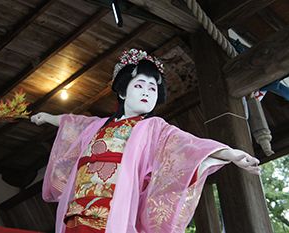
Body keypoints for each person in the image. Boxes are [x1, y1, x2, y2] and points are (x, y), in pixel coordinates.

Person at [31, 49, 261, 233]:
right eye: (139, 85)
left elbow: (189, 145)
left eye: (153, 88)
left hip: (113, 210)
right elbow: (73, 123)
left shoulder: (153, 127)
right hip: (78, 208)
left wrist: (230, 154)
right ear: (122, 92)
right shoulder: (96, 126)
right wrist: (50, 117)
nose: (147, 92)